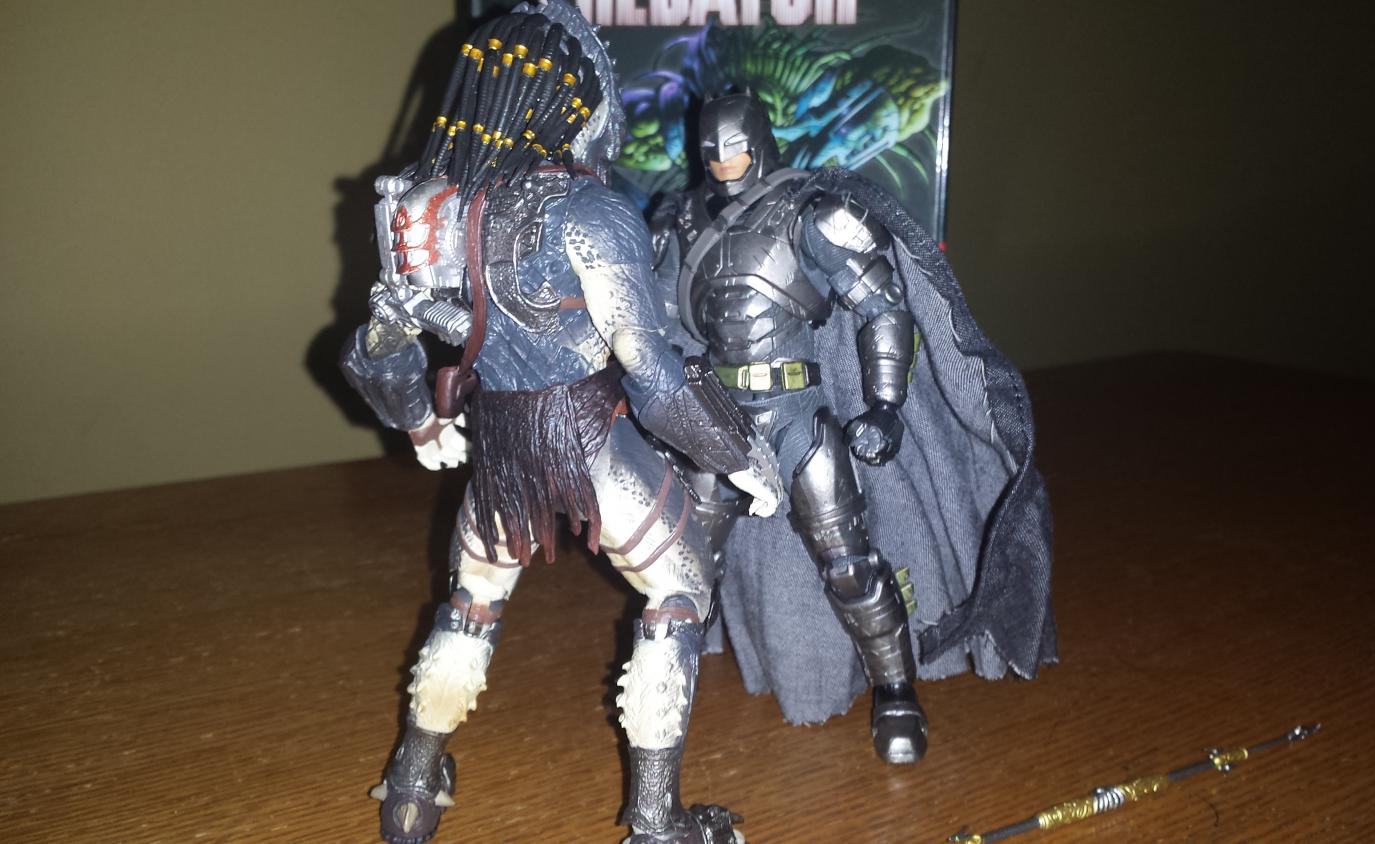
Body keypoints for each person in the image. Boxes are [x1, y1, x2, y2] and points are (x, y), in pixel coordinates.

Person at [341, 7, 778, 843]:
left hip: (500, 448)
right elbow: (651, 372)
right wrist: (739, 453)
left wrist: (419, 422)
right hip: (588, 438)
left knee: (472, 599)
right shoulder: (594, 211)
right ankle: (657, 822)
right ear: (581, 106)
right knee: (681, 590)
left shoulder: (442, 206)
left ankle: (412, 789)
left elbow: (381, 335)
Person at [650, 93, 1056, 766]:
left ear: (761, 141)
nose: (725, 163)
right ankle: (668, 684)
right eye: (712, 152)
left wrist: (886, 405)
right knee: (684, 563)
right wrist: (666, 409)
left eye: (737, 148)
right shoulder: (686, 221)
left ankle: (896, 690)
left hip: (795, 412)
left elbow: (882, 305)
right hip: (717, 418)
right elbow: (662, 324)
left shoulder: (811, 211)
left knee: (848, 562)